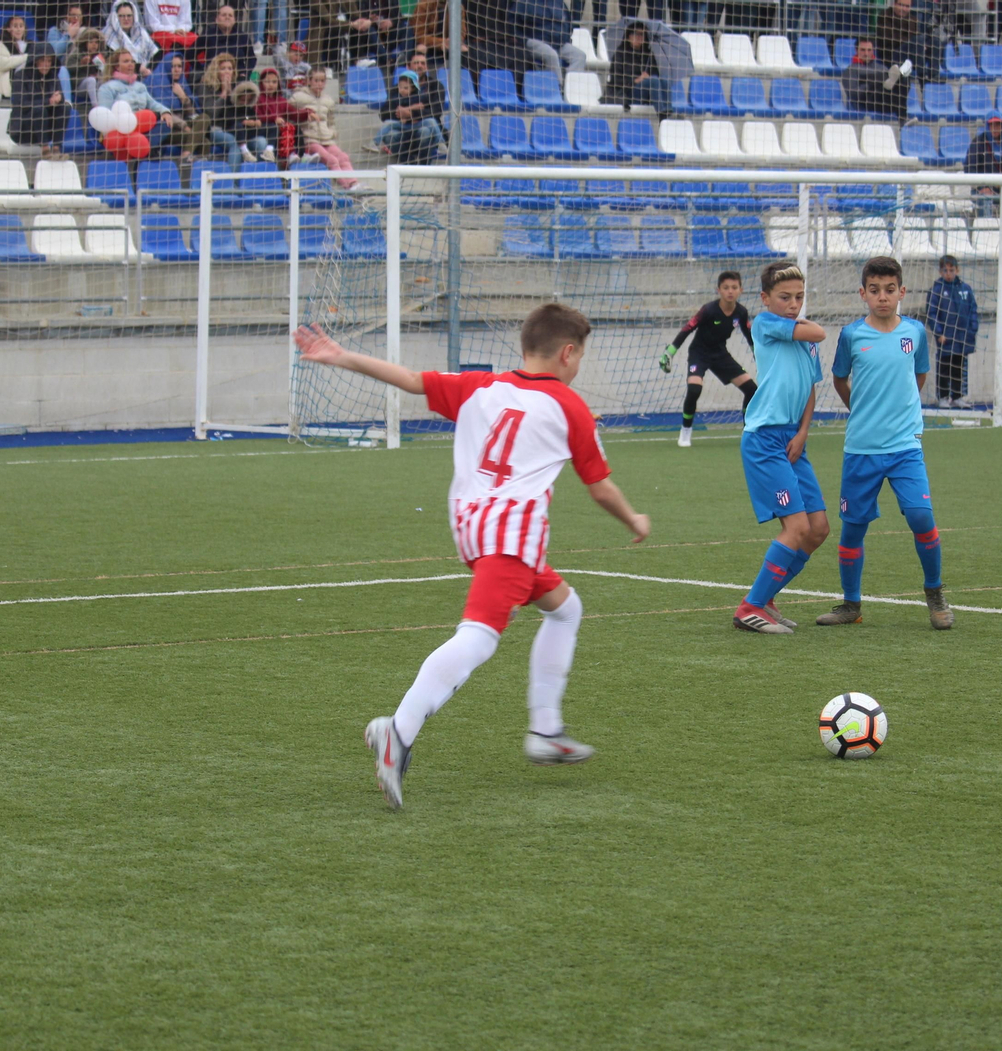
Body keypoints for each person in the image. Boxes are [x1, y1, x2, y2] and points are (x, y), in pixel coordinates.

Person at [293, 308, 651, 809]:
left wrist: (342, 357)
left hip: (472, 525)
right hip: (512, 533)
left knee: (565, 608)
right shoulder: (570, 406)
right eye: (580, 357)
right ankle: (398, 729)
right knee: (478, 638)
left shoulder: (480, 386)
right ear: (568, 352)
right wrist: (634, 519)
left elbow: (412, 380)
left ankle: (546, 730)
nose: (578, 366)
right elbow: (599, 487)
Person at [818, 255, 951, 631]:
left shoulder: (915, 334)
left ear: (901, 292)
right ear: (863, 293)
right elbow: (841, 380)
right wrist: (863, 409)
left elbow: (919, 376)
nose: (882, 297)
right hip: (861, 447)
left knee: (922, 517)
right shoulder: (851, 336)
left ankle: (935, 596)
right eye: (874, 290)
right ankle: (850, 604)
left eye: (890, 290)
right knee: (853, 529)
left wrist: (899, 415)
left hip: (905, 446)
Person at [732, 262, 830, 636]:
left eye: (799, 298)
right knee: (797, 526)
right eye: (785, 297)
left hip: (792, 438)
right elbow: (819, 331)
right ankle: (750, 607)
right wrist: (805, 324)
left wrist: (804, 431)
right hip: (764, 439)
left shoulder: (802, 338)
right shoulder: (766, 324)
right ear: (765, 299)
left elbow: (810, 386)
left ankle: (768, 599)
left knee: (817, 529)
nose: (793, 304)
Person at [660, 271, 758, 447]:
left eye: (734, 287)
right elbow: (687, 329)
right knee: (694, 389)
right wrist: (670, 352)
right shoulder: (709, 310)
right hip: (699, 353)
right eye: (726, 287)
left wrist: (759, 357)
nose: (730, 291)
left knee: (752, 389)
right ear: (718, 290)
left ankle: (748, 430)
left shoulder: (741, 312)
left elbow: (749, 336)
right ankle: (685, 432)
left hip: (721, 354)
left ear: (741, 290)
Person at [925, 255, 979, 408]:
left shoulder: (965, 289)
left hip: (963, 337)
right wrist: (938, 332)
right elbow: (932, 313)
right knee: (944, 367)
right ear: (940, 271)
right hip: (946, 338)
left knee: (959, 367)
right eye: (945, 270)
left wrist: (973, 329)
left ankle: (957, 396)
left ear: (957, 270)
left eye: (951, 270)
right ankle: (942, 396)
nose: (948, 273)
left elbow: (972, 310)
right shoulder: (936, 290)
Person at [197, 52, 270, 162]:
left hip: (238, 129)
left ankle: (258, 177)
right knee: (233, 142)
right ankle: (234, 179)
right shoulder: (206, 87)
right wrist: (224, 93)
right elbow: (211, 113)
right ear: (215, 70)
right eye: (223, 69)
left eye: (230, 69)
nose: (227, 72)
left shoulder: (238, 87)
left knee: (261, 142)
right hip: (216, 129)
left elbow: (245, 111)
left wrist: (233, 93)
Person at [293, 67, 360, 186]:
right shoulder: (298, 97)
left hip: (326, 140)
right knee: (332, 160)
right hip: (310, 140)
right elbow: (289, 114)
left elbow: (331, 121)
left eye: (322, 81)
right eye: (316, 80)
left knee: (343, 157)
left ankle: (354, 184)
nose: (319, 84)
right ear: (308, 81)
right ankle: (347, 187)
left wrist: (332, 133)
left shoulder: (328, 100)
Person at [98, 47, 188, 132]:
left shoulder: (140, 86)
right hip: (122, 129)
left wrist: (165, 112)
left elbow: (152, 103)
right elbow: (106, 115)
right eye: (126, 61)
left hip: (145, 126)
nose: (131, 64)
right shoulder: (107, 88)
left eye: (132, 61)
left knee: (167, 124)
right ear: (116, 66)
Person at [8, 49, 71, 157]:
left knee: (64, 108)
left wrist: (59, 99)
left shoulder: (52, 76)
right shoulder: (20, 76)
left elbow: (58, 98)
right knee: (39, 109)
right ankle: (45, 150)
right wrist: (48, 101)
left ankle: (56, 149)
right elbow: (21, 104)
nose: (46, 65)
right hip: (23, 129)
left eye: (49, 61)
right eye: (43, 61)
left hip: (46, 128)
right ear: (35, 61)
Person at [148, 51, 208, 162]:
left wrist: (183, 97)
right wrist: (185, 126)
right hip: (167, 128)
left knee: (205, 117)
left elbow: (192, 115)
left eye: (179, 66)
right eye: (173, 66)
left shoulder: (182, 84)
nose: (177, 70)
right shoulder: (155, 83)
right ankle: (188, 165)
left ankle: (187, 155)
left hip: (184, 124)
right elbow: (161, 112)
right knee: (204, 142)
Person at [602, 21, 671, 117]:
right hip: (626, 93)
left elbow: (655, 73)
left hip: (645, 91)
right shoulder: (620, 53)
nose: (639, 37)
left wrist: (648, 76)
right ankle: (662, 115)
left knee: (664, 80)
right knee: (653, 81)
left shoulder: (649, 55)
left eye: (642, 34)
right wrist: (636, 80)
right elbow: (616, 79)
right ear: (629, 36)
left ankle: (668, 111)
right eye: (636, 33)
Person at [376, 70, 442, 162]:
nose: (402, 90)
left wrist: (411, 113)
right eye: (400, 87)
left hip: (417, 126)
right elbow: (383, 113)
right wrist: (400, 115)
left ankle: (440, 145)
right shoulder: (395, 96)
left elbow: (432, 111)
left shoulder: (422, 96)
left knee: (429, 126)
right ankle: (407, 162)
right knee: (389, 128)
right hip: (401, 127)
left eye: (406, 88)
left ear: (413, 88)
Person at [964, 113, 1002, 216]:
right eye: (992, 125)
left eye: (998, 125)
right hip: (981, 191)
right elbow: (969, 169)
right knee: (986, 201)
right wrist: (982, 187)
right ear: (987, 126)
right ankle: (986, 232)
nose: (995, 128)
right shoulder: (978, 143)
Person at [839, 38, 908, 120]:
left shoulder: (882, 68)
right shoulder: (851, 70)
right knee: (881, 79)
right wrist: (870, 85)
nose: (866, 53)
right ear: (856, 50)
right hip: (867, 102)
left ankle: (898, 77)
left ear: (873, 51)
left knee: (904, 80)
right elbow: (853, 93)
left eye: (869, 50)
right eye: (863, 50)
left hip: (887, 101)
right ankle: (903, 121)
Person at [516, 0, 585, 79]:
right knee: (551, 55)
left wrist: (565, 39)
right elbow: (513, 24)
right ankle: (557, 87)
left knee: (580, 56)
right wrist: (522, 40)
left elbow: (568, 25)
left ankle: (571, 85)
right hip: (535, 41)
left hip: (558, 43)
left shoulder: (559, 3)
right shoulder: (525, 3)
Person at [255, 67, 305, 165]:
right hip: (266, 130)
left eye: (274, 82)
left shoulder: (281, 100)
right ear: (261, 83)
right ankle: (288, 155)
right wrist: (274, 119)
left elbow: (294, 114)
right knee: (284, 127)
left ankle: (300, 155)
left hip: (280, 129)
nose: (271, 85)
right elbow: (258, 117)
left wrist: (308, 113)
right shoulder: (258, 99)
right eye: (267, 82)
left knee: (295, 128)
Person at [103, 1, 159, 74]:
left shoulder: (141, 33)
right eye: (122, 16)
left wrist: (147, 69)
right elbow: (113, 60)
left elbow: (155, 53)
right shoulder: (108, 35)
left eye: (129, 15)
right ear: (115, 17)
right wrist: (138, 68)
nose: (126, 19)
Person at [0, 14, 32, 97]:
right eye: (15, 26)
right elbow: (1, 64)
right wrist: (25, 57)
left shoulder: (30, 45)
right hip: (2, 86)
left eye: (21, 26)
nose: (18, 29)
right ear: (8, 29)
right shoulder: (0, 43)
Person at [195, 4, 252, 68]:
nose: (227, 17)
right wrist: (201, 70)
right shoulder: (208, 35)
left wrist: (245, 73)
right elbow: (190, 54)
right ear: (217, 19)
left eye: (230, 15)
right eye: (224, 15)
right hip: (213, 76)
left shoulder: (243, 37)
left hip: (237, 75)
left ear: (234, 20)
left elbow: (252, 58)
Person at [65, 26, 107, 106]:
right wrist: (81, 64)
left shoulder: (100, 56)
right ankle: (96, 106)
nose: (94, 45)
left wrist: (101, 71)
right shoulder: (77, 53)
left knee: (103, 81)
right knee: (91, 80)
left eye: (96, 42)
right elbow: (68, 68)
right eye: (91, 42)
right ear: (85, 43)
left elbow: (105, 73)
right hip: (79, 87)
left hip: (96, 86)